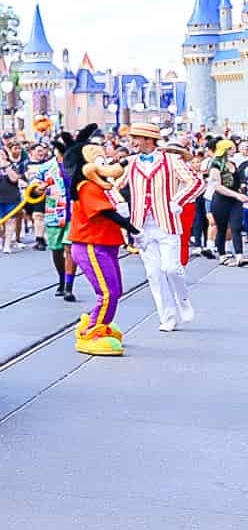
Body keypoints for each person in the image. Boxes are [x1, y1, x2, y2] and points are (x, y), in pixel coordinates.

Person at [118, 123, 200, 332]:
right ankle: (168, 317)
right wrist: (121, 207)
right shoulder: (131, 162)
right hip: (141, 227)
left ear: (148, 139)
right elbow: (113, 186)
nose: (132, 142)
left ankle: (183, 299)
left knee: (171, 268)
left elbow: (196, 182)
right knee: (154, 274)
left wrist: (178, 200)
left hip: (166, 223)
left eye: (135, 138)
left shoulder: (171, 160)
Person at [63, 124, 136, 356]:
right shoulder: (86, 187)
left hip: (105, 244)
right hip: (91, 245)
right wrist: (130, 227)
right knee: (107, 292)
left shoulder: (98, 186)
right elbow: (105, 212)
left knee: (115, 290)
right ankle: (91, 331)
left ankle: (97, 324)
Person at [32, 138, 76, 300]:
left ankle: (69, 286)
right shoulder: (45, 168)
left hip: (74, 213)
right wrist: (39, 188)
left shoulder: (78, 165)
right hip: (54, 213)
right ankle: (62, 278)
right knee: (56, 249)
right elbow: (33, 190)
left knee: (69, 248)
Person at [202, 139, 243, 264]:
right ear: (225, 150)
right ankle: (222, 254)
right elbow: (217, 186)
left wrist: (241, 190)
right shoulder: (215, 164)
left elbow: (237, 182)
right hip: (221, 200)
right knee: (222, 227)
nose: (234, 150)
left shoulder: (233, 164)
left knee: (236, 226)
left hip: (235, 200)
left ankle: (239, 255)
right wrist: (236, 194)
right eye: (231, 148)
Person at [0, 144, 24, 254]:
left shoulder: (13, 166)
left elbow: (14, 179)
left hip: (11, 197)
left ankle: (7, 245)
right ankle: (1, 236)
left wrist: (6, 166)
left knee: (10, 221)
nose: (0, 156)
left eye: (2, 154)